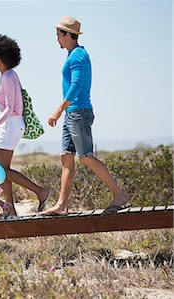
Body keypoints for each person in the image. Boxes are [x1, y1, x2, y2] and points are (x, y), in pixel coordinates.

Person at [42, 16, 130, 216]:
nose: (56, 39)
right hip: (72, 113)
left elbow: (77, 85)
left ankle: (119, 195)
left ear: (67, 35)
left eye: (58, 35)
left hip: (78, 112)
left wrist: (59, 109)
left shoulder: (78, 56)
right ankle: (62, 205)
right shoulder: (72, 54)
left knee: (86, 157)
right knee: (66, 157)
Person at [0, 34, 51, 218]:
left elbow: (11, 107)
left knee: (2, 171)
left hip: (11, 125)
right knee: (1, 170)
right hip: (11, 125)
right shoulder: (7, 75)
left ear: (2, 56)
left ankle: (40, 192)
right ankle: (10, 209)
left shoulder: (8, 76)